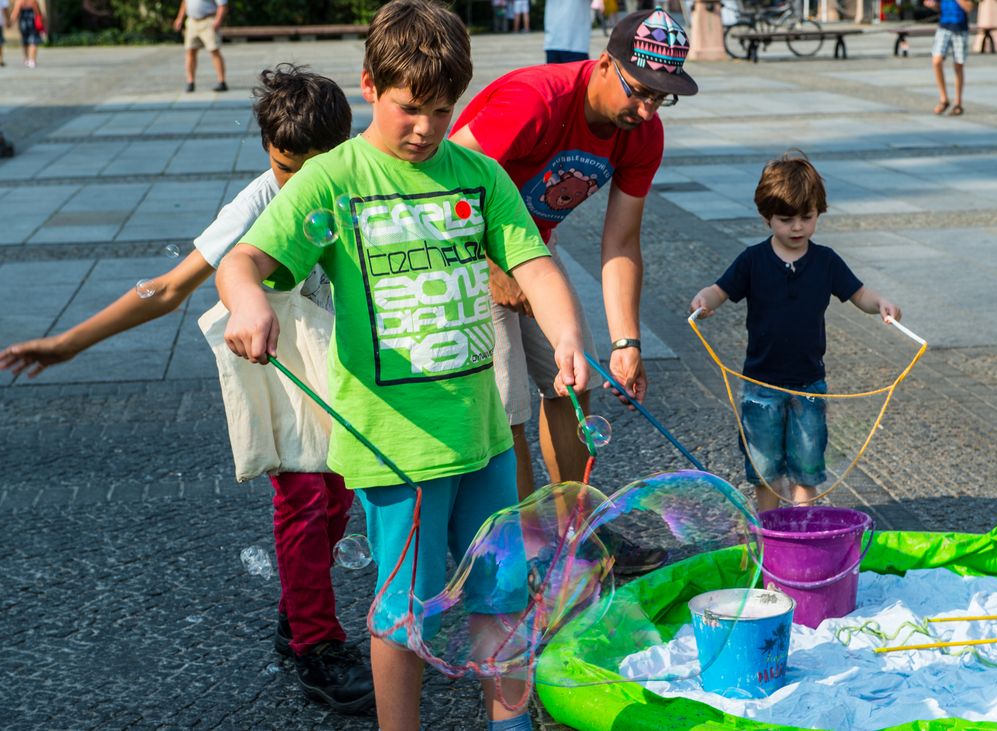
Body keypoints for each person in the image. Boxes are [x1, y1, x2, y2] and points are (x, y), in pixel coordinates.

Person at [214, 2, 589, 729]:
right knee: (402, 615)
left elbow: (533, 263)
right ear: (368, 85)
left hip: (480, 437)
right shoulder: (332, 178)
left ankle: (511, 724)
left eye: (441, 112)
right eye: (408, 109)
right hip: (395, 450)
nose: (424, 128)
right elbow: (244, 260)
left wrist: (568, 332)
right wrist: (248, 302)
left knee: (504, 596)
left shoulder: (478, 175)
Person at [0, 65, 375, 715]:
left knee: (338, 496)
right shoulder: (260, 201)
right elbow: (167, 289)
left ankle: (297, 612)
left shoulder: (362, 183)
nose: (297, 184)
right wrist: (67, 345)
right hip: (275, 359)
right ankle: (316, 642)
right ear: (267, 151)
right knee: (305, 496)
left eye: (312, 168)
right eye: (285, 166)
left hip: (339, 361)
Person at [449, 8, 697, 512]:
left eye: (660, 96)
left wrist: (627, 343)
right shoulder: (535, 100)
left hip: (533, 246)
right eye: (639, 90)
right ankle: (523, 547)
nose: (647, 110)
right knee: (506, 404)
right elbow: (446, 177)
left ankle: (576, 534)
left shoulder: (644, 135)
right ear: (606, 63)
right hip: (464, 245)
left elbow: (622, 241)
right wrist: (493, 267)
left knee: (573, 377)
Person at [689, 152, 902, 512]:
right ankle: (769, 530)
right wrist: (705, 300)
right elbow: (720, 289)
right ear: (766, 217)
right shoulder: (752, 260)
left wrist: (881, 302)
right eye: (786, 220)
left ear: (819, 212)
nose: (797, 227)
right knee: (765, 467)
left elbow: (859, 294)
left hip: (809, 385)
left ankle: (803, 531)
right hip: (761, 385)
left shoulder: (826, 261)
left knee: (807, 469)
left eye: (807, 217)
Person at [925, 0, 974, 116]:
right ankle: (944, 99)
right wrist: (933, 5)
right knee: (936, 61)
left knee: (958, 65)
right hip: (943, 27)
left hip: (960, 28)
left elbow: (970, 7)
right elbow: (939, 7)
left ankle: (958, 102)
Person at [172, 0, 228, 93]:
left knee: (214, 51)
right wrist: (180, 18)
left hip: (209, 20)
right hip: (192, 21)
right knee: (190, 51)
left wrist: (218, 20)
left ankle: (222, 82)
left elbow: (223, 5)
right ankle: (190, 82)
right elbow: (185, 2)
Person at [8, 0, 44, 68]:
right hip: (32, 21)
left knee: (25, 40)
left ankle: (26, 59)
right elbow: (38, 12)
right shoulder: (33, 1)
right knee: (34, 40)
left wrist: (10, 22)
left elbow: (16, 12)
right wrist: (41, 20)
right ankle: (32, 60)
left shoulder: (19, 1)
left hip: (23, 22)